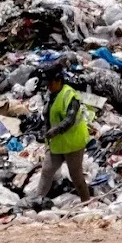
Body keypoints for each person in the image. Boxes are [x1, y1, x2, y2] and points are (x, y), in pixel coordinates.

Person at [32, 64, 92, 202]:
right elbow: (47, 116)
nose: (48, 87)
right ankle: (36, 202)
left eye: (51, 83)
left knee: (76, 176)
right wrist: (44, 132)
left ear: (59, 80)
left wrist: (54, 130)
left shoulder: (69, 95)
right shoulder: (51, 95)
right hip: (56, 144)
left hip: (73, 144)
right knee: (47, 171)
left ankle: (86, 202)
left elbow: (69, 120)